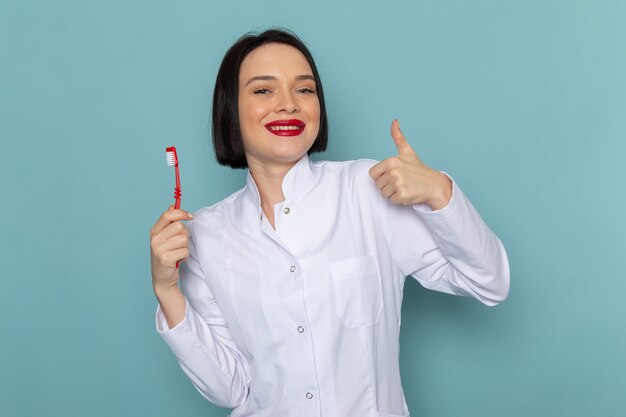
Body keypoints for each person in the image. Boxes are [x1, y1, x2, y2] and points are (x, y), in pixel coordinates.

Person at [149, 28, 509, 417]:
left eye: (304, 90)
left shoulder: (369, 189)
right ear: (230, 110)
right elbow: (230, 387)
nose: (288, 104)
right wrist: (167, 291)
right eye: (263, 91)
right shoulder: (206, 233)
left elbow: (489, 282)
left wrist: (439, 191)